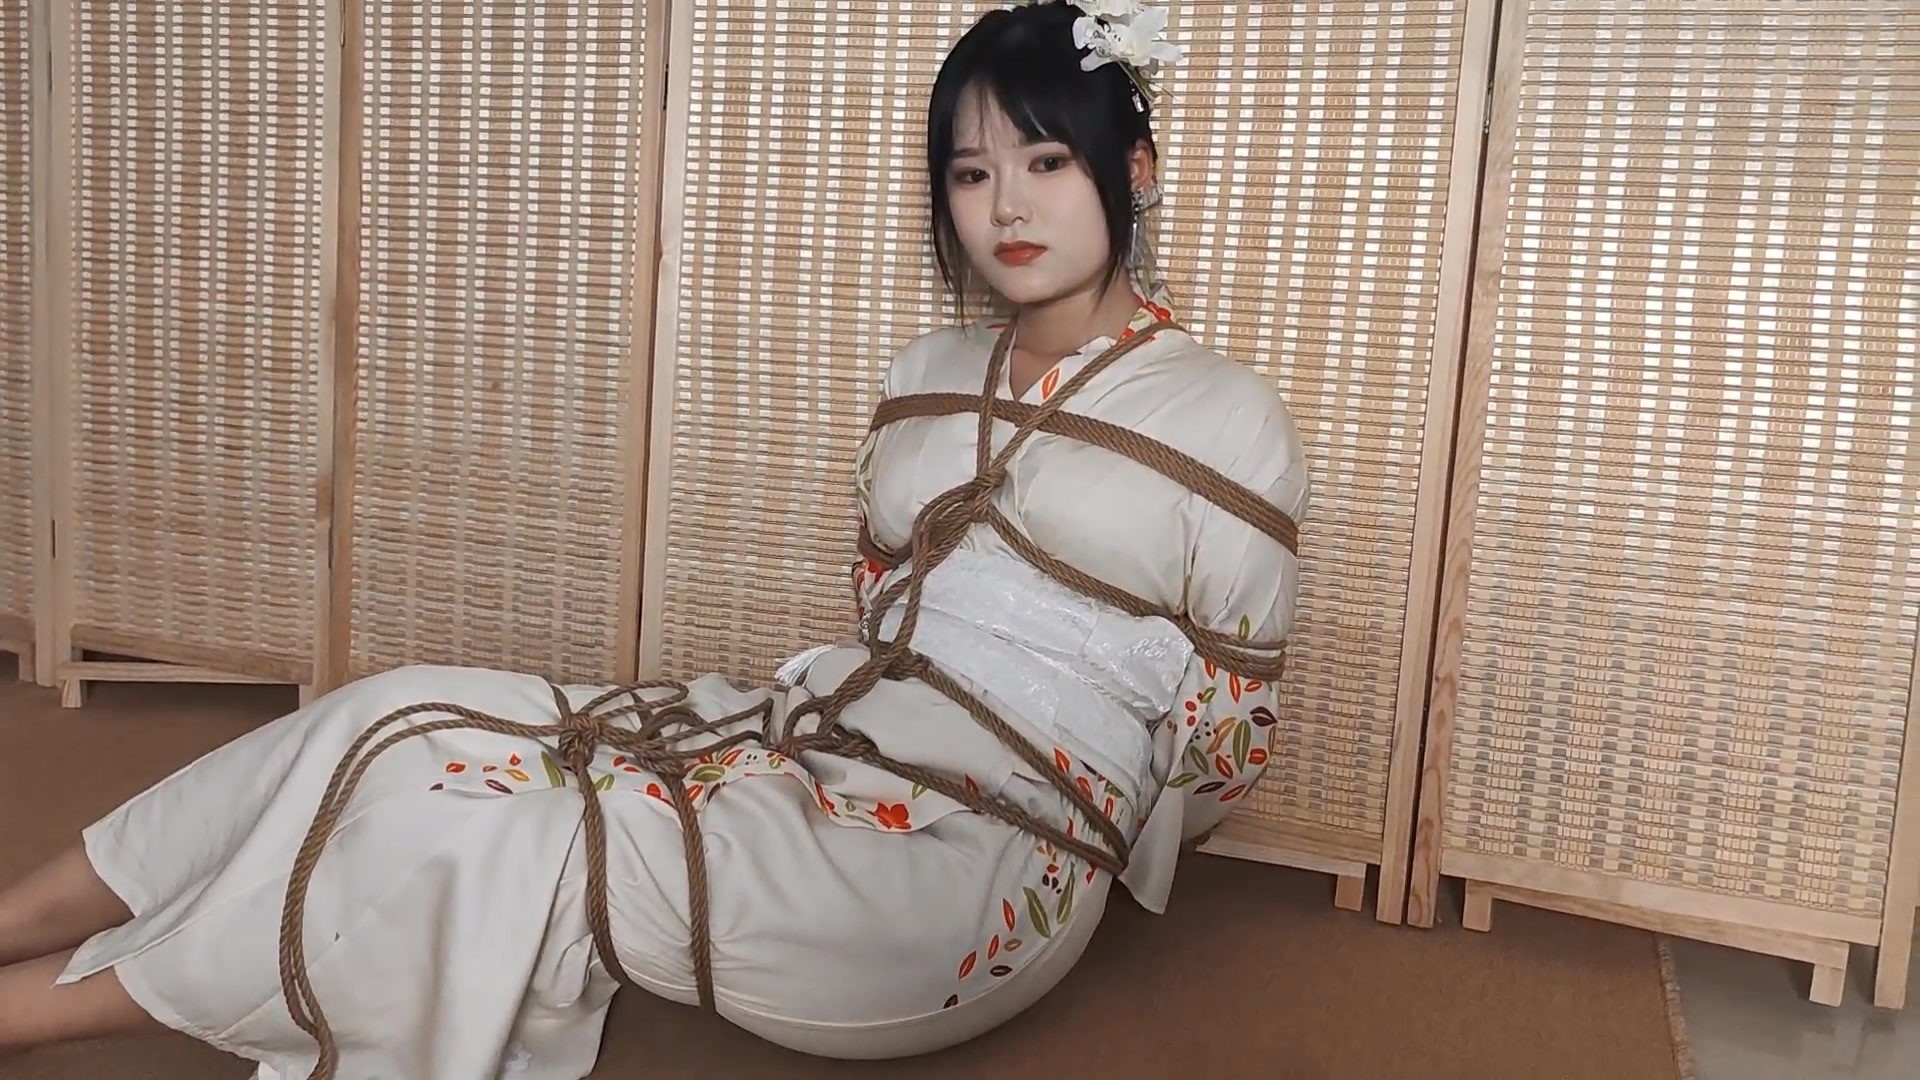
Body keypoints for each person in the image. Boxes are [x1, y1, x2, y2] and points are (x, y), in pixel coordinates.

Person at [0, 2, 1308, 1076]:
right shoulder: (923, 373)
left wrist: (1082, 807)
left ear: (1132, 168)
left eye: (1047, 161)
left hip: (984, 855)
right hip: (811, 737)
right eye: (971, 173)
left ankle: (29, 1018)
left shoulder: (1230, 418)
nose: (1006, 206)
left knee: (513, 834)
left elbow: (1223, 740)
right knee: (399, 712)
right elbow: (880, 598)